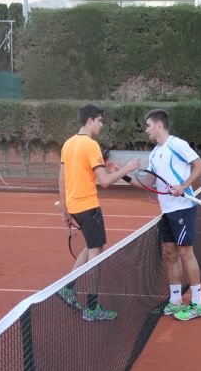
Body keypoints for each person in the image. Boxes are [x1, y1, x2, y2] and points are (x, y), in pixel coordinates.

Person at [58, 104, 140, 321]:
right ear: (90, 121)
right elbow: (104, 181)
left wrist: (65, 211)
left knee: (93, 245)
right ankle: (92, 307)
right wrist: (127, 169)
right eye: (100, 121)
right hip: (88, 206)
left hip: (75, 207)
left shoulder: (68, 144)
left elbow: (61, 180)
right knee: (97, 253)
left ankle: (68, 287)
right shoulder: (91, 145)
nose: (102, 125)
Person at [124, 109, 201, 321]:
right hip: (167, 211)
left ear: (159, 125)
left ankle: (198, 303)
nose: (147, 130)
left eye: (148, 126)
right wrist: (123, 175)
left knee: (186, 254)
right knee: (170, 254)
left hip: (183, 208)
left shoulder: (176, 144)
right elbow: (149, 184)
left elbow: (200, 167)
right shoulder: (154, 154)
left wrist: (183, 185)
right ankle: (175, 300)